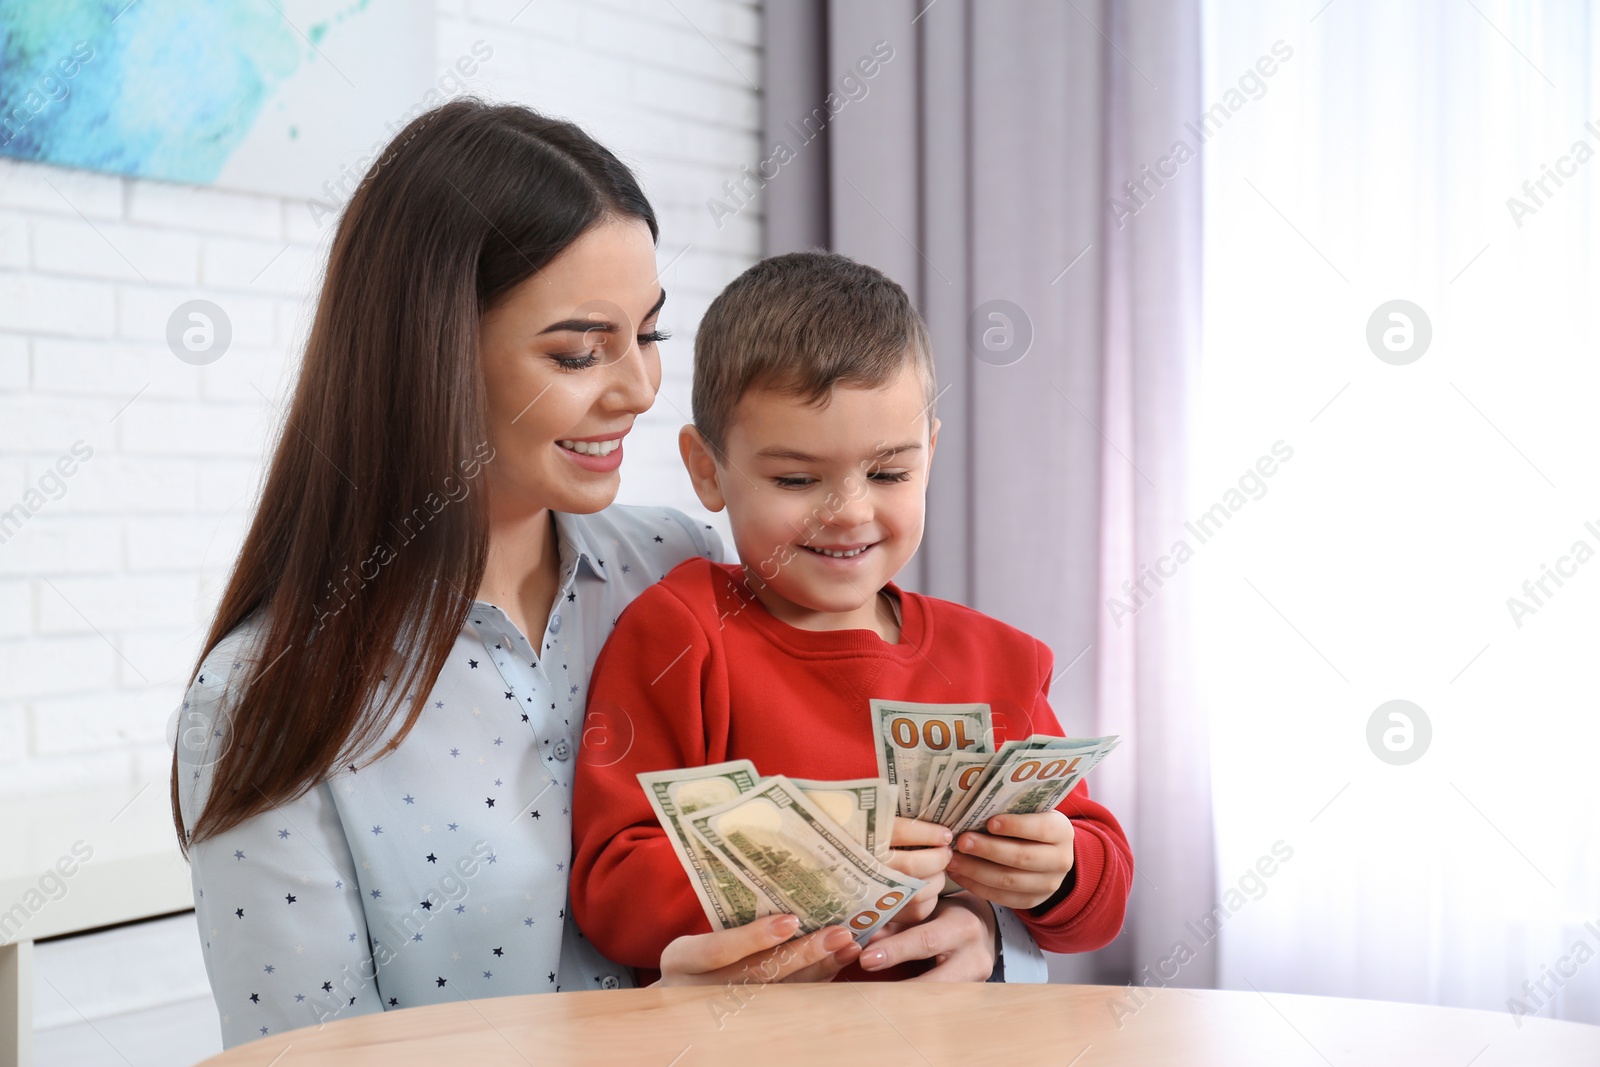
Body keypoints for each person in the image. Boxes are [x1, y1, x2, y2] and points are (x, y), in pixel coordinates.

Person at [171, 102, 1015, 1051]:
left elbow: (899, 828)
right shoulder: (263, 699)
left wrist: (975, 931)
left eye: (648, 336)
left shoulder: (689, 570)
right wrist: (648, 1017)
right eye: (579, 351)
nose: (641, 389)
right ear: (431, 355)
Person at [570, 252, 1135, 981]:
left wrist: (1053, 872)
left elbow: (1101, 888)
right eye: (797, 478)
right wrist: (812, 864)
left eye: (889, 473)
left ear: (929, 454)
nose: (849, 512)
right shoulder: (681, 631)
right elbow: (612, 886)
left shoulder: (998, 658)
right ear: (708, 469)